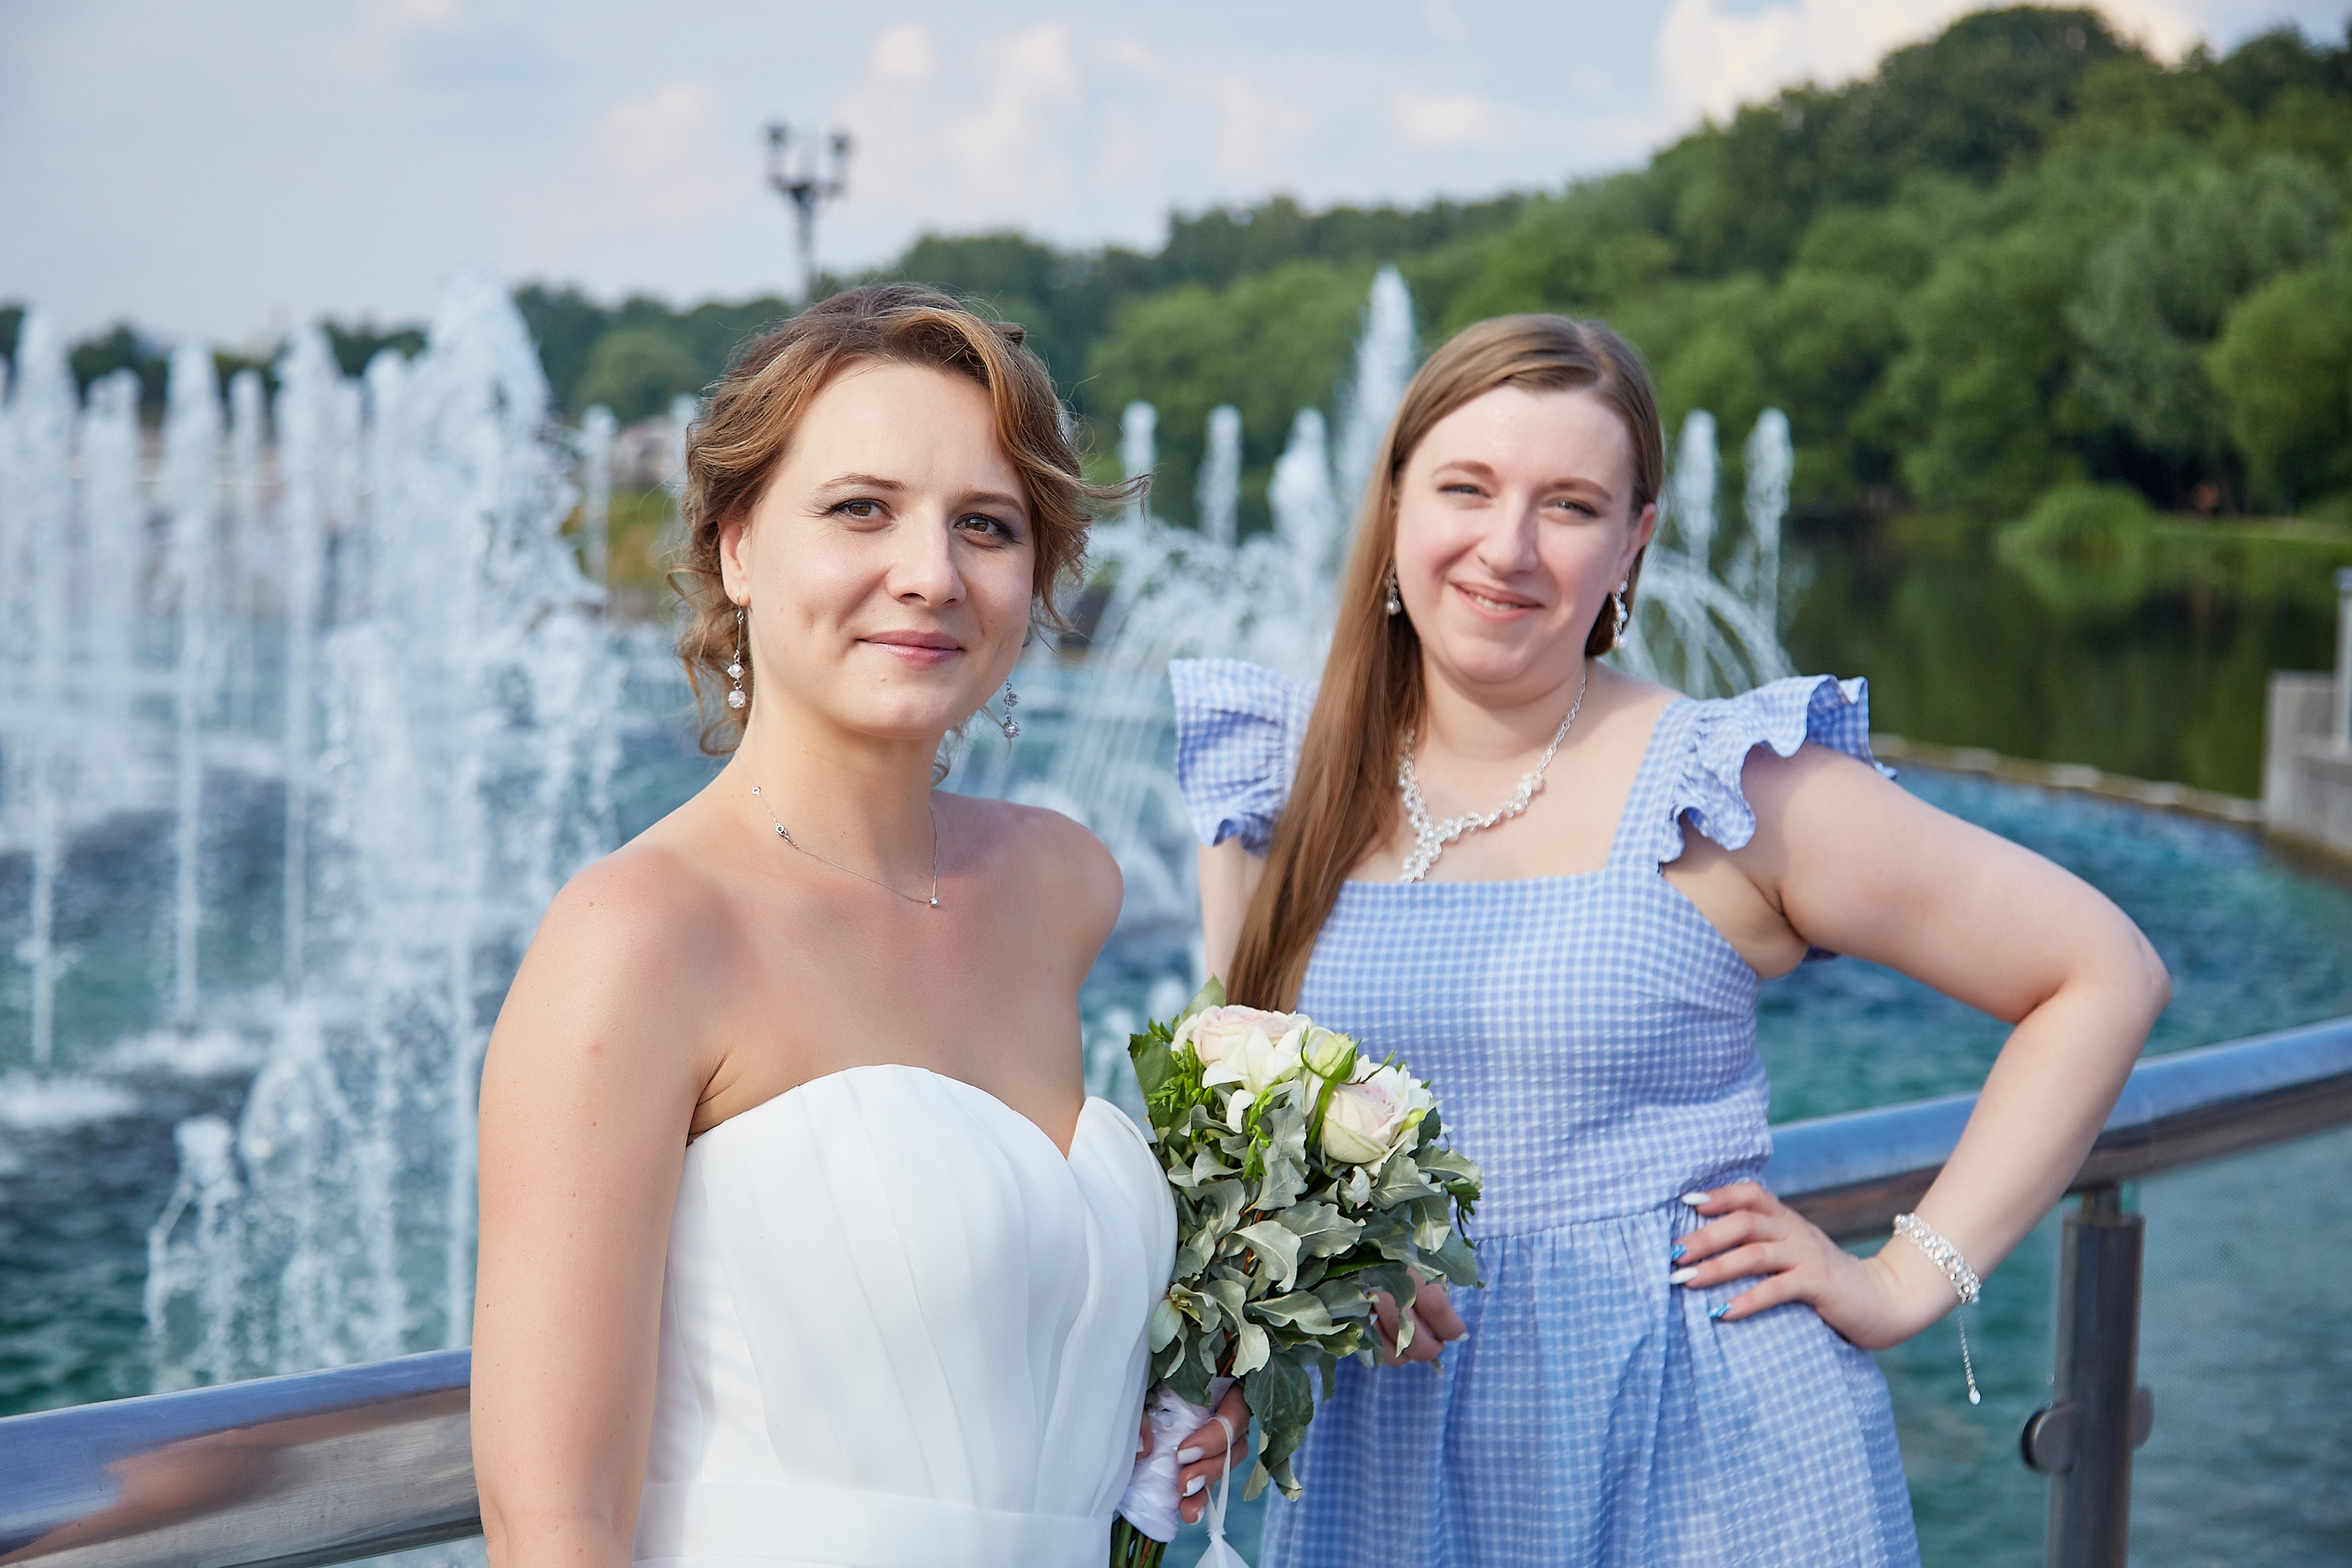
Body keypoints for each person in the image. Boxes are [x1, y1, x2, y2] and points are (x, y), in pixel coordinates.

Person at [1174, 313, 2170, 1565]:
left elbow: (2101, 972)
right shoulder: (1276, 789)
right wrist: (1286, 1311)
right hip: (1391, 1452)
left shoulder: (1726, 784)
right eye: (1466, 488)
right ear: (1392, 503)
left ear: (1634, 542)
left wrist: (1909, 1276)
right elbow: (1236, 1143)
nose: (1508, 547)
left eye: (1573, 505)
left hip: (1698, 1455)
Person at [471, 284, 1244, 1568]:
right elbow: (551, 1518)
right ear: (736, 547)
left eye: (986, 526)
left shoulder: (1064, 886)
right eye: (859, 510)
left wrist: (1165, 1412)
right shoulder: (642, 936)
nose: (930, 574)